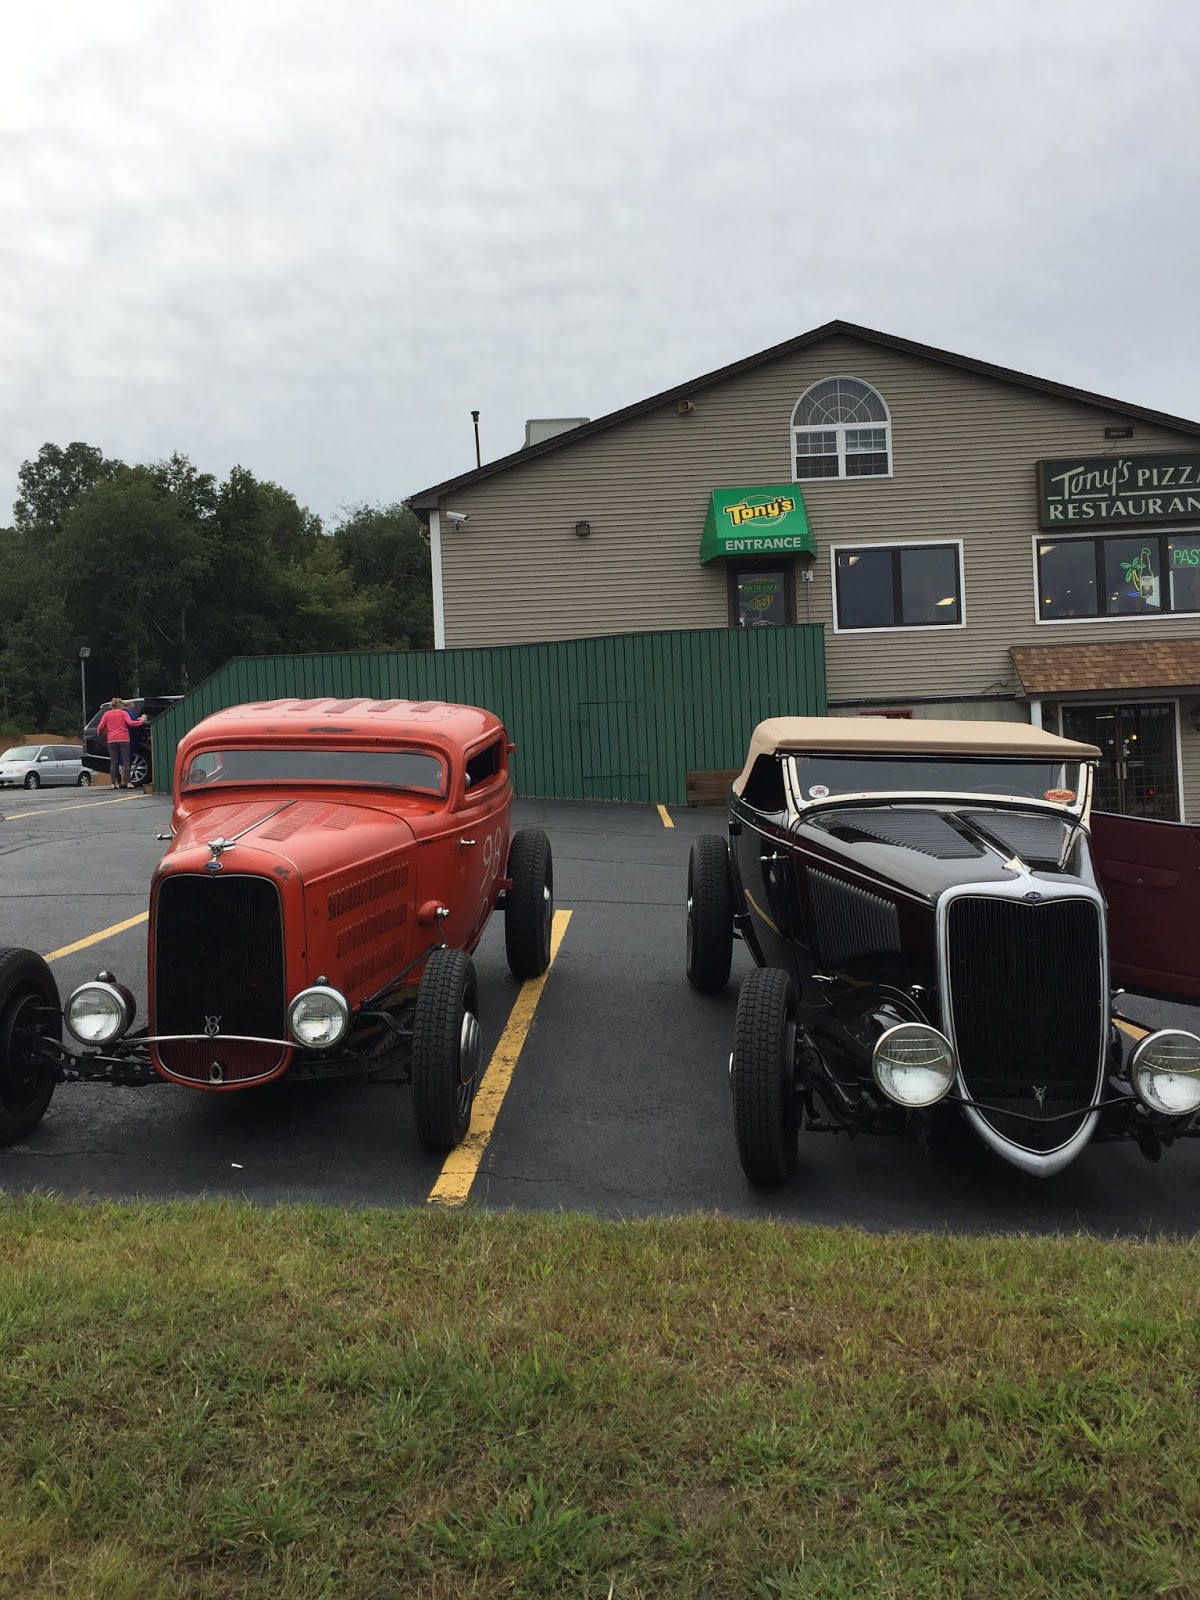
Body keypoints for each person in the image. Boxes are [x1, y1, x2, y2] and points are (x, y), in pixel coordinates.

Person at [96, 698, 147, 789]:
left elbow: (100, 727)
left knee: (114, 762)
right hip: (124, 739)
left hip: (111, 740)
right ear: (120, 705)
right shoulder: (123, 713)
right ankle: (128, 783)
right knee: (126, 761)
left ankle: (113, 783)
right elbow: (131, 723)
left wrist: (100, 733)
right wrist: (141, 721)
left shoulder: (106, 714)